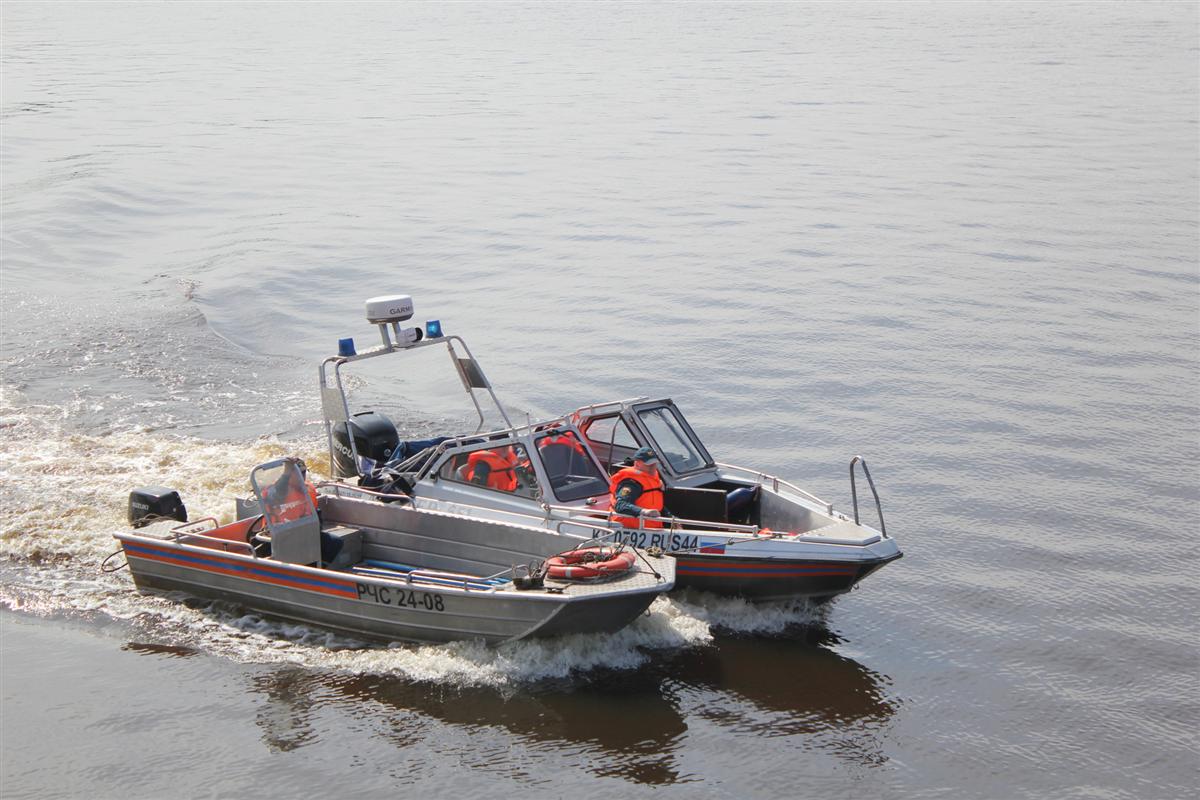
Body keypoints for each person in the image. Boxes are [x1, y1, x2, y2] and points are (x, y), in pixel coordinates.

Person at [609, 446, 668, 529]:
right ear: (637, 464)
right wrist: (643, 511)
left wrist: (671, 517)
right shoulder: (630, 483)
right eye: (649, 465)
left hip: (652, 529)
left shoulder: (654, 479)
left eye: (654, 464)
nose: (653, 468)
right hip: (630, 529)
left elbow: (655, 504)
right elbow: (620, 505)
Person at [266, 459, 319, 525]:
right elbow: (278, 492)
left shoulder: (309, 488)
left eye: (303, 472)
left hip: (306, 528)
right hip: (281, 531)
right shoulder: (276, 489)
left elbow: (314, 513)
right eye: (298, 473)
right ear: (289, 475)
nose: (302, 476)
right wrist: (286, 472)